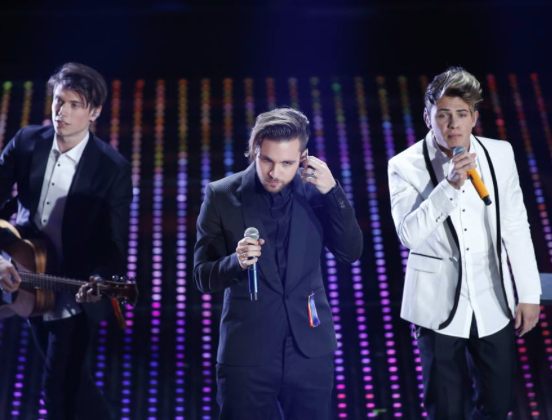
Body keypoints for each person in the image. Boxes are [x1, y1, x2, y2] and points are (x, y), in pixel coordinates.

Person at [388, 67, 541, 419]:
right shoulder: (404, 165)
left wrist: (529, 294)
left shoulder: (500, 153)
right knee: (446, 407)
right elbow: (408, 235)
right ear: (428, 117)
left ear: (474, 117)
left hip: (493, 299)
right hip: (436, 305)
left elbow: (516, 225)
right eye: (443, 114)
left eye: (461, 114)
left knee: (499, 402)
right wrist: (450, 185)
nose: (453, 124)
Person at [194, 107, 363, 420]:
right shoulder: (221, 195)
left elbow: (350, 252)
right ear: (254, 150)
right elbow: (202, 277)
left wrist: (333, 192)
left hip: (309, 350)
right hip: (247, 352)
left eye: (286, 163)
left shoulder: (317, 193)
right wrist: (235, 262)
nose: (274, 172)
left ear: (302, 158)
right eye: (266, 160)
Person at [0, 62, 132, 420]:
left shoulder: (112, 168)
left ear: (95, 112)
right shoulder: (27, 142)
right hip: (24, 273)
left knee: (59, 389)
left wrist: (98, 281)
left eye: (75, 104)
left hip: (73, 290)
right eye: (59, 101)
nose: (62, 111)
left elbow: (114, 242)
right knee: (72, 387)